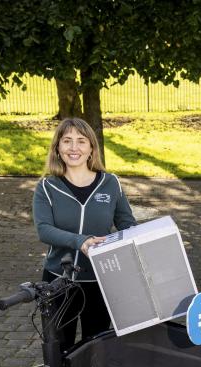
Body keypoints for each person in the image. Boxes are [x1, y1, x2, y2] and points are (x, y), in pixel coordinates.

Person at [33, 118, 137, 351]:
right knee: (58, 350)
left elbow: (127, 224)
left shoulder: (111, 183)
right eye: (67, 141)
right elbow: (44, 230)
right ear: (57, 148)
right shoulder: (47, 187)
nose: (74, 148)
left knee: (97, 348)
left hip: (101, 279)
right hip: (58, 281)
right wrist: (80, 242)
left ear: (91, 148)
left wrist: (144, 243)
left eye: (81, 141)